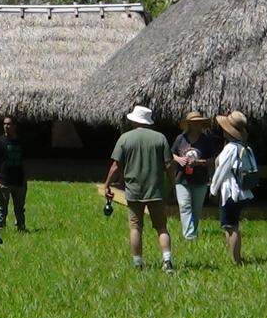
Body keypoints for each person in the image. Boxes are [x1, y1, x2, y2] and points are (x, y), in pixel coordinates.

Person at [103, 105, 176, 272]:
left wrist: (107, 184)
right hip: (156, 190)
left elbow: (116, 165)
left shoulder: (125, 138)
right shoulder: (160, 138)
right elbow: (169, 164)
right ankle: (167, 261)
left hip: (134, 190)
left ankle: (137, 263)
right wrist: (172, 183)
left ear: (134, 120)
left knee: (135, 227)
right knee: (161, 227)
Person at [210, 111, 256, 265]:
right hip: (242, 193)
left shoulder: (230, 148)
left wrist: (213, 189)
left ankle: (236, 260)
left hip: (231, 192)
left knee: (231, 226)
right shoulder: (245, 148)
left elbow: (222, 170)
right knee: (229, 224)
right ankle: (232, 256)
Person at [171, 111, 220, 241]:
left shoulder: (206, 140)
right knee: (185, 205)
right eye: (193, 123)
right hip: (182, 179)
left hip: (200, 179)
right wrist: (179, 160)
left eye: (199, 123)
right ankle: (190, 236)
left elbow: (213, 160)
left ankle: (193, 231)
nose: (196, 125)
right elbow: (171, 154)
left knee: (196, 209)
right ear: (188, 124)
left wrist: (199, 162)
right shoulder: (180, 139)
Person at [0, 115, 27, 232]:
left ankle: (21, 228)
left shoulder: (21, 142)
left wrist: (25, 179)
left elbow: (25, 161)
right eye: (4, 124)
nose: (6, 126)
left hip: (19, 181)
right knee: (2, 208)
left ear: (14, 126)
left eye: (9, 124)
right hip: (4, 181)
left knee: (19, 208)